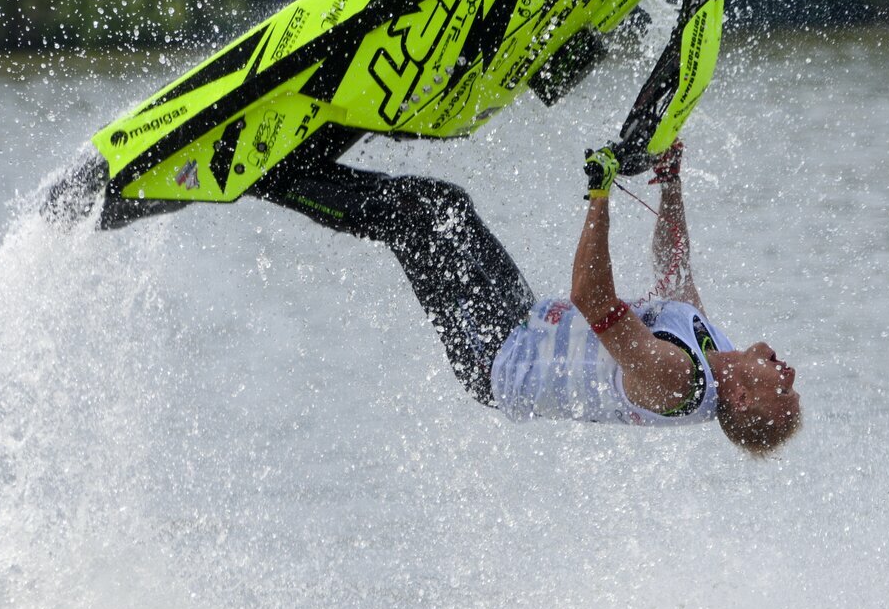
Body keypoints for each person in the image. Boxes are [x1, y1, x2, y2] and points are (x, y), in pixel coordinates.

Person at [251, 140, 800, 452]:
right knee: (446, 207)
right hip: (523, 315)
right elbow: (675, 269)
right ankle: (301, 161)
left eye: (784, 389)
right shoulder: (714, 349)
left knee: (413, 220)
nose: (789, 373)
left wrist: (599, 195)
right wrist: (670, 180)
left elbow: (593, 299)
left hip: (495, 358)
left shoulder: (675, 380)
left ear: (746, 400)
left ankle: (262, 174)